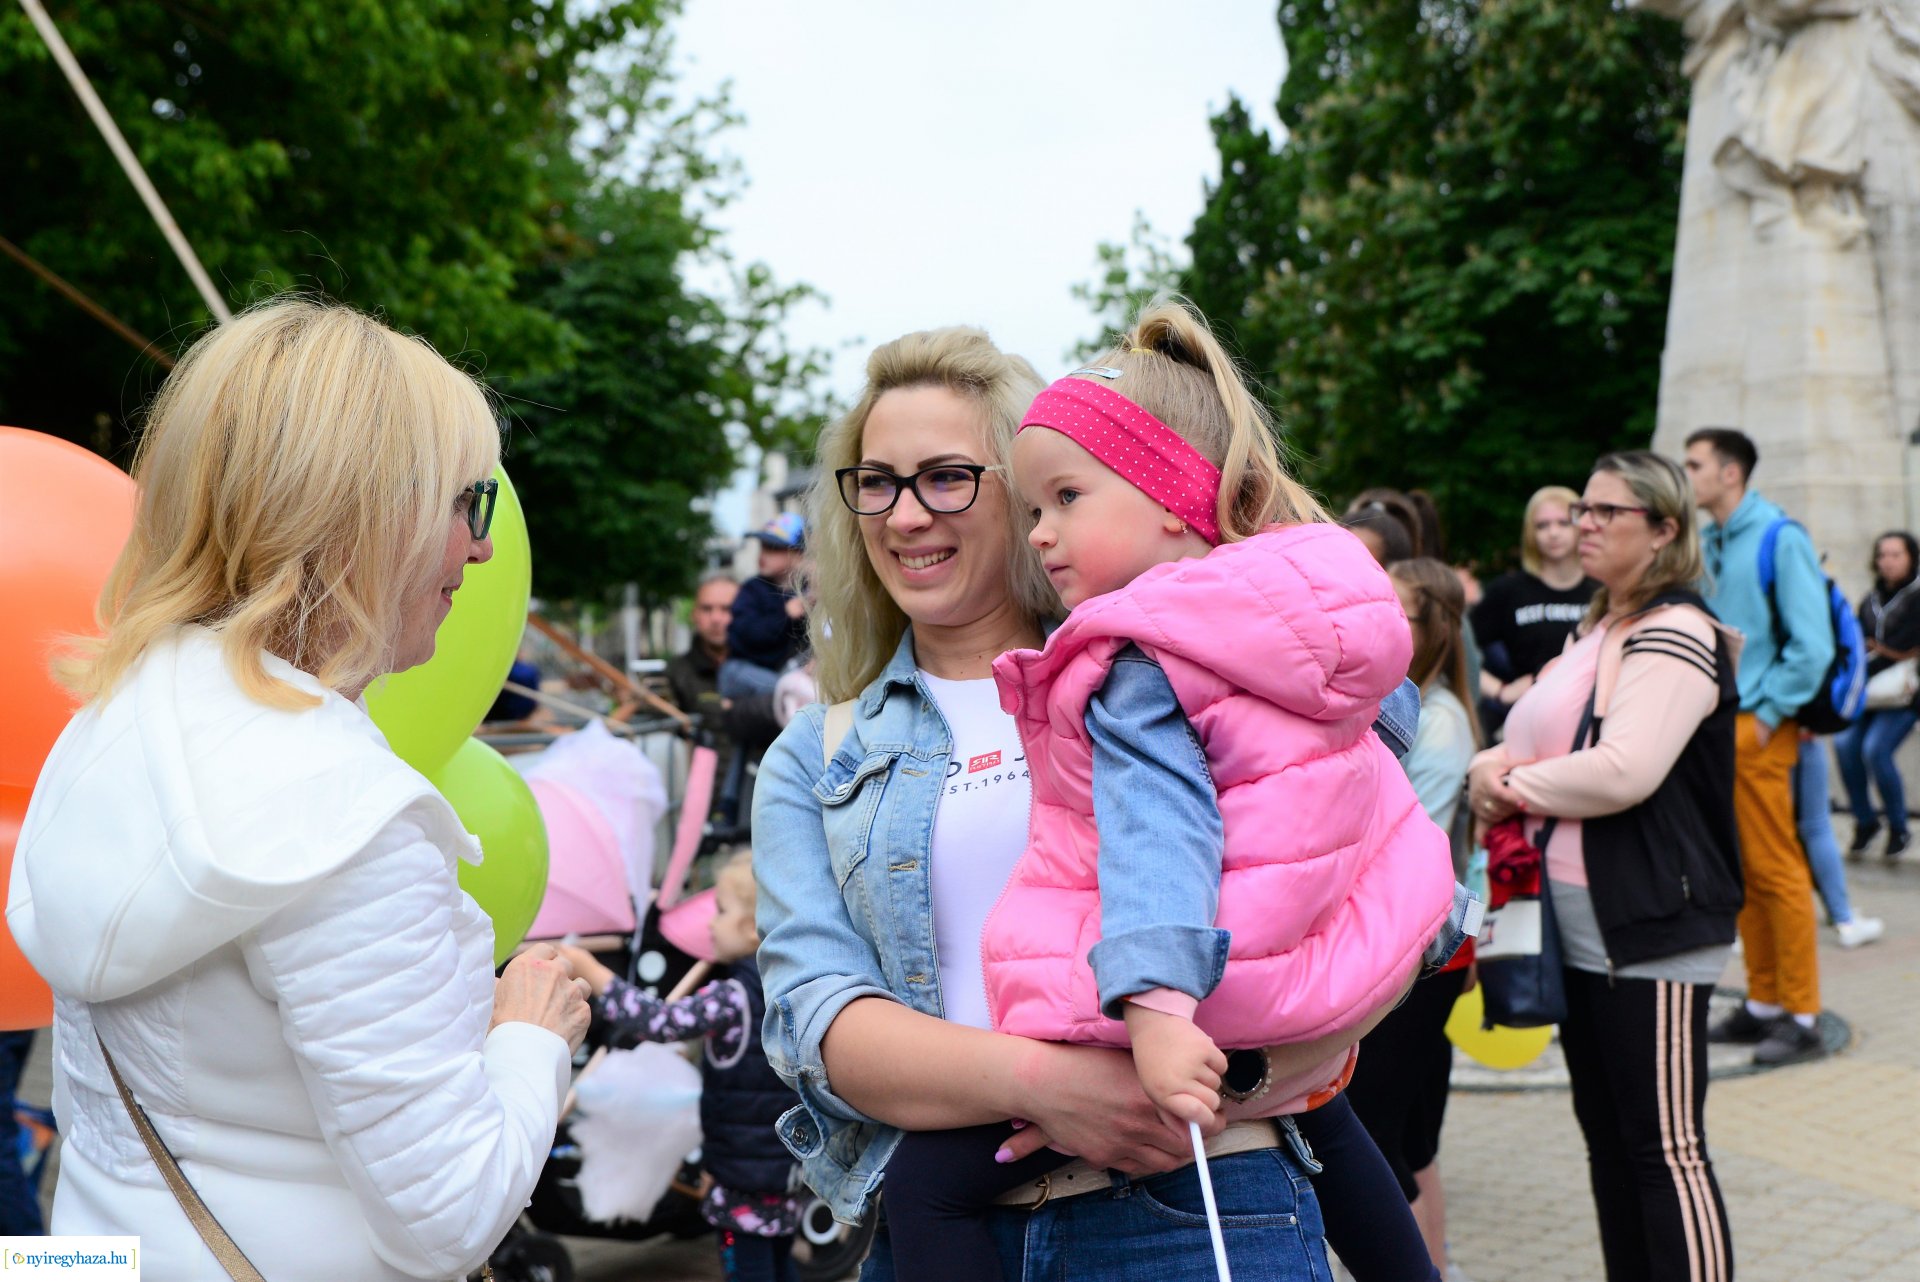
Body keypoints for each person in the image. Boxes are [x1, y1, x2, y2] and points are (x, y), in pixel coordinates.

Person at [754, 317, 1450, 1282]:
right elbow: (818, 1023)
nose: (907, 514)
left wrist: (1231, 1069)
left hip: (1197, 1198)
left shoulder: (1174, 676)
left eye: (947, 476)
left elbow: (1370, 897)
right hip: (953, 1219)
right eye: (877, 483)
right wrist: (1052, 1085)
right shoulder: (816, 753)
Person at [4, 299, 591, 1279]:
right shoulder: (344, 817)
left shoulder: (107, 725)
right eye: (466, 503)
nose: (480, 549)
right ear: (368, 515)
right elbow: (448, 1218)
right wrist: (531, 1035)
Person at [1469, 450, 1740, 1282]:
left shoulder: (1676, 632)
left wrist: (1506, 782)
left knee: (1666, 1148)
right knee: (1612, 1142)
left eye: (1605, 513)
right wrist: (1496, 770)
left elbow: (1625, 770)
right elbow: (1538, 732)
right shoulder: (1599, 628)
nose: (1584, 524)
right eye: (1581, 509)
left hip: (1649, 921)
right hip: (1581, 917)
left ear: (1663, 531)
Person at [560, 852, 800, 1282]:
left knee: (749, 1270)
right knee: (781, 1264)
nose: (710, 924)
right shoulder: (794, 991)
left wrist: (591, 969)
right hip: (788, 1171)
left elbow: (660, 1022)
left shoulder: (732, 996)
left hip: (743, 1177)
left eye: (721, 912)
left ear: (750, 928)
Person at [1343, 558, 1482, 1279]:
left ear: (1432, 631)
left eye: (1396, 611)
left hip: (1419, 950)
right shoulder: (1414, 708)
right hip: (1413, 943)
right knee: (1412, 1137)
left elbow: (1405, 841)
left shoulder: (1437, 723)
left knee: (1380, 1137)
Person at [1685, 427, 1834, 1066]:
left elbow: (1813, 644)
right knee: (1744, 871)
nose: (1685, 473)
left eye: (1695, 464)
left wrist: (1770, 711)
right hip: (1725, 727)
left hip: (1758, 728)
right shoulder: (1714, 540)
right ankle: (1766, 1003)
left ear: (1730, 473)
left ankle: (1801, 1013)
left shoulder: (1780, 536)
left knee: (1776, 867)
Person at [1470, 486, 1597, 734]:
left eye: (1563, 523)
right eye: (1542, 526)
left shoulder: (1603, 590)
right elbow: (1458, 647)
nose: (1553, 533)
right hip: (1531, 721)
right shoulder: (1509, 591)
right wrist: (1500, 690)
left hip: (1593, 721)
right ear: (1530, 534)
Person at [1834, 530, 1920, 861]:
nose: (1888, 561)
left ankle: (1898, 826)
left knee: (1875, 750)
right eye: (1882, 555)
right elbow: (1856, 642)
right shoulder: (1869, 600)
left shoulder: (1915, 597)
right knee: (1844, 745)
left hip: (1903, 696)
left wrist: (1883, 649)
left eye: (1896, 554)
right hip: (1868, 694)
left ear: (1911, 557)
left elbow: (1901, 644)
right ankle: (1865, 820)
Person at [1794, 735, 1884, 948]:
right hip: (1793, 734)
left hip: (1774, 735)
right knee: (1814, 827)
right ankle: (1844, 920)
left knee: (1786, 829)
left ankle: (1841, 916)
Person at [721, 514, 809, 702]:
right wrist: (784, 615)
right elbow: (747, 635)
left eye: (774, 548)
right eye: (763, 546)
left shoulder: (806, 591)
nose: (763, 554)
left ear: (798, 554)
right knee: (790, 692)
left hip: (780, 673)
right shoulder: (752, 590)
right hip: (741, 670)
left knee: (796, 686)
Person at [667, 571, 741, 723]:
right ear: (694, 614)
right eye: (707, 609)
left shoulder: (765, 668)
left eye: (726, 609)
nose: (715, 618)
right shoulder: (675, 674)